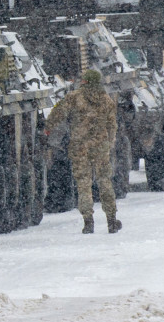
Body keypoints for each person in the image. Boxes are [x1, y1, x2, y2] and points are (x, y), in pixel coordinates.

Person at [44, 69, 121, 234]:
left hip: (79, 147)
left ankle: (88, 221)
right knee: (105, 182)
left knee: (83, 184)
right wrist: (110, 142)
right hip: (101, 147)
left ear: (85, 81)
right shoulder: (107, 100)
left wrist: (48, 128)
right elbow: (112, 125)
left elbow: (58, 113)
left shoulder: (74, 97)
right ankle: (112, 220)